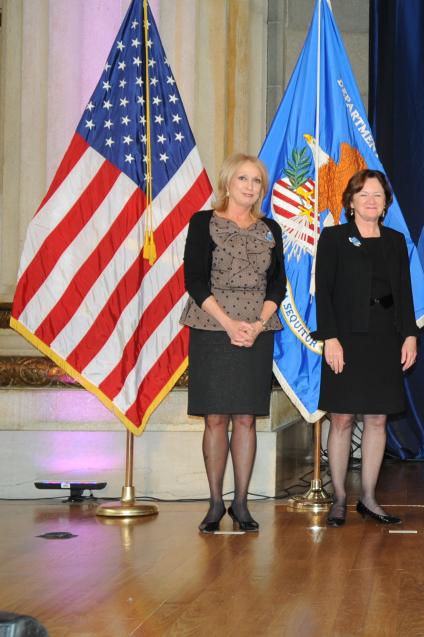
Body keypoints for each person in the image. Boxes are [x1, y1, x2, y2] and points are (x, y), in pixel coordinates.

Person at [180, 153, 286, 534]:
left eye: (257, 181)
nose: (250, 187)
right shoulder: (202, 223)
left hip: (256, 331)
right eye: (243, 179)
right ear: (228, 183)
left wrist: (256, 325)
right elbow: (194, 279)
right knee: (215, 417)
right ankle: (214, 504)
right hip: (213, 329)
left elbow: (278, 284)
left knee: (245, 417)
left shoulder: (269, 228)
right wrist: (227, 323)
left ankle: (241, 504)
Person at [313, 169, 418, 528]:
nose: (371, 200)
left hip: (385, 340)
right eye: (364, 194)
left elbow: (405, 294)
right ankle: (340, 497)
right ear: (351, 201)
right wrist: (330, 338)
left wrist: (410, 335)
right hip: (345, 339)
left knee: (377, 418)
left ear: (386, 203)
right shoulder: (334, 238)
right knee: (341, 418)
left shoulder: (395, 240)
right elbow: (323, 293)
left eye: (378, 195)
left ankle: (370, 498)